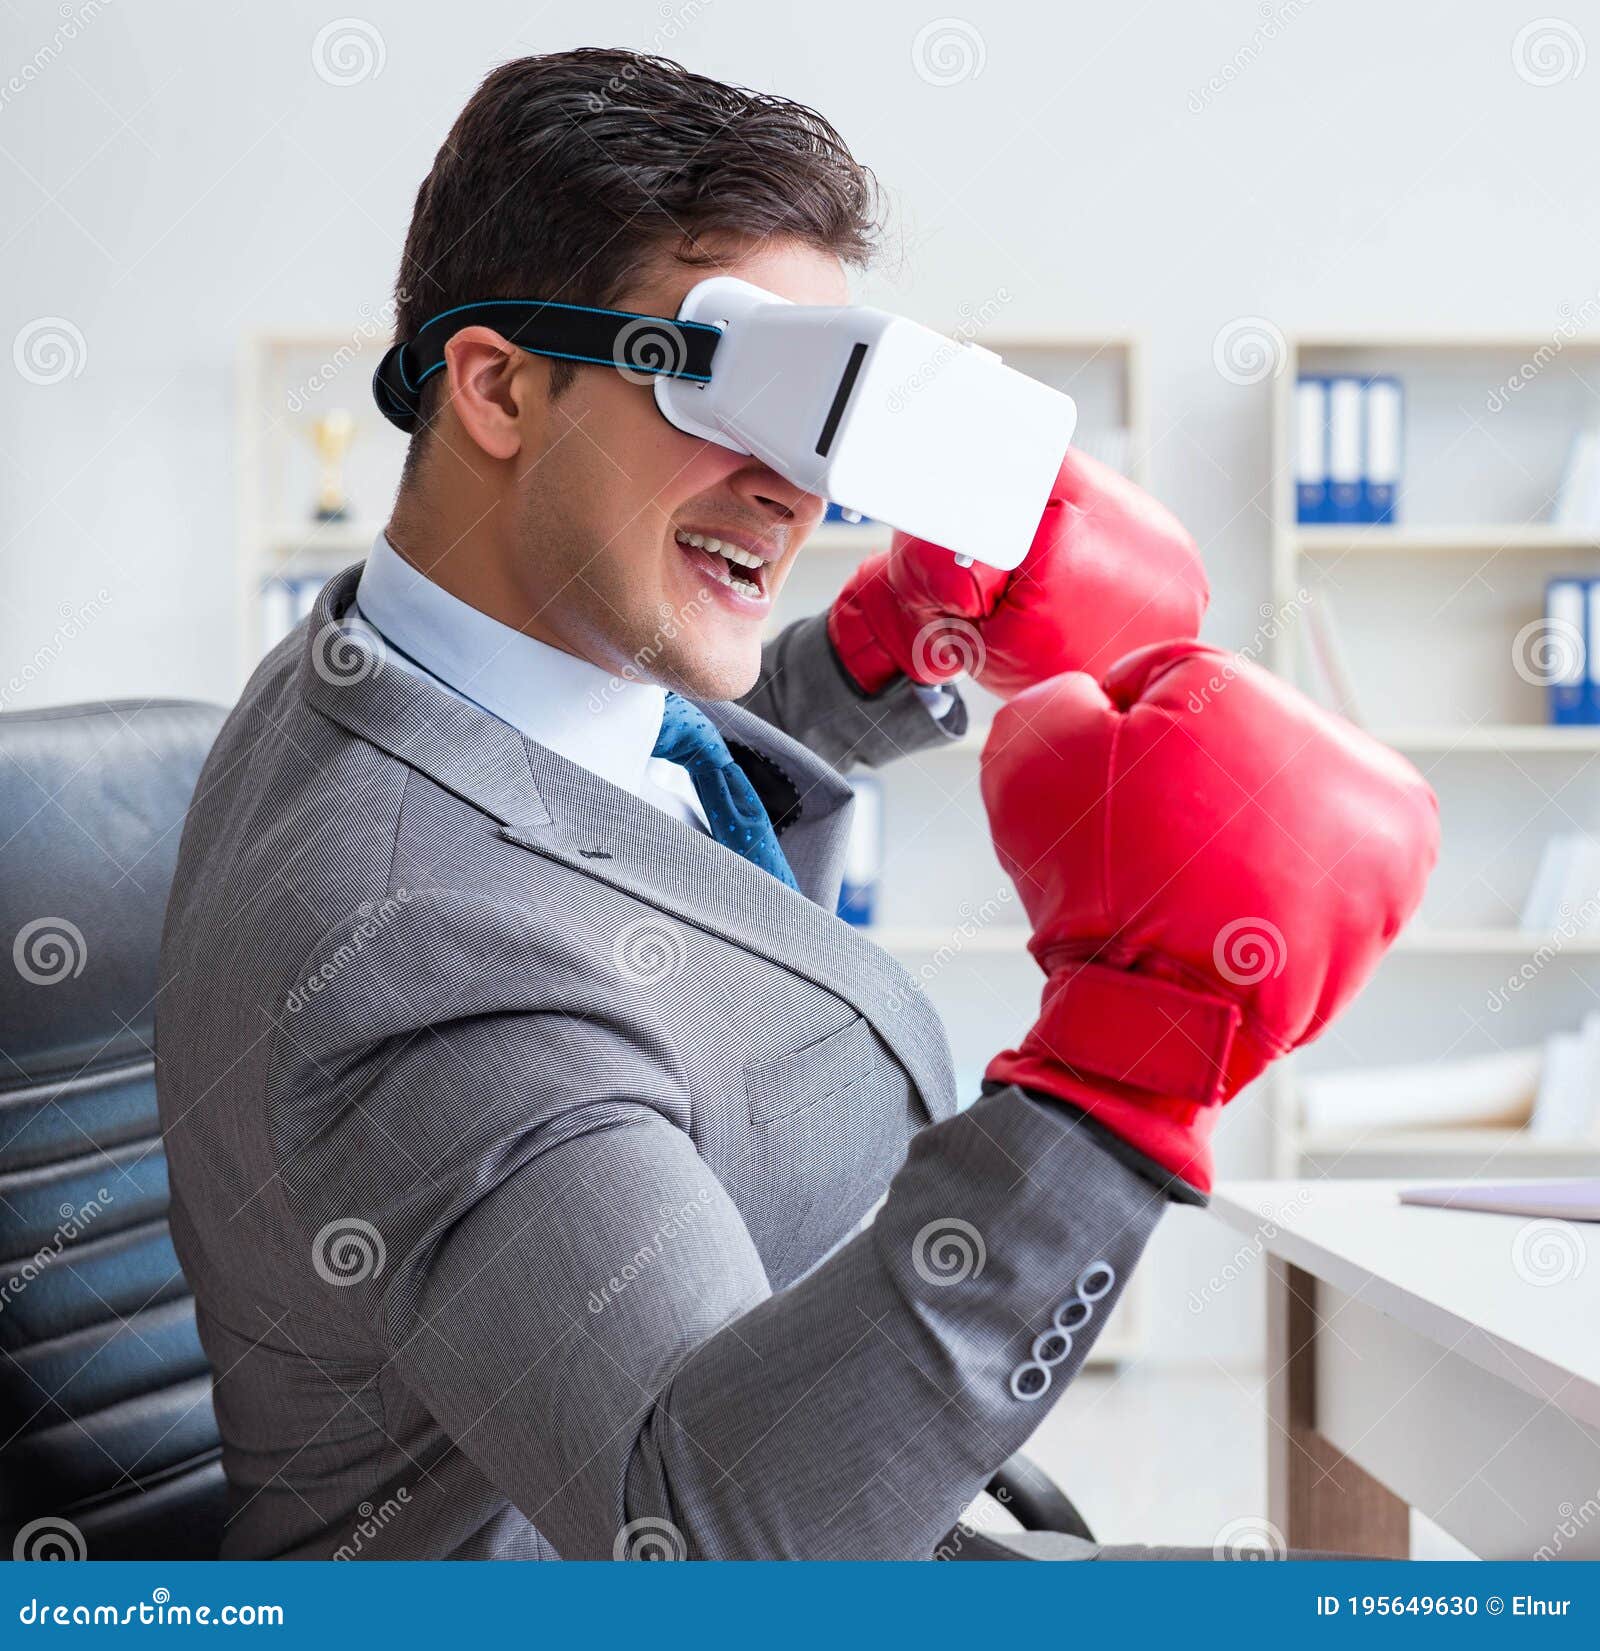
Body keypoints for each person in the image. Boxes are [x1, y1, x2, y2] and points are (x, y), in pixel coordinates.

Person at [156, 48, 1437, 1561]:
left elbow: (593, 808)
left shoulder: (391, 658)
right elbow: (712, 1547)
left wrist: (895, 649)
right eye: (725, 386)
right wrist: (1130, 1059)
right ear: (498, 386)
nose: (799, 493)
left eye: (819, 411)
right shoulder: (416, 949)